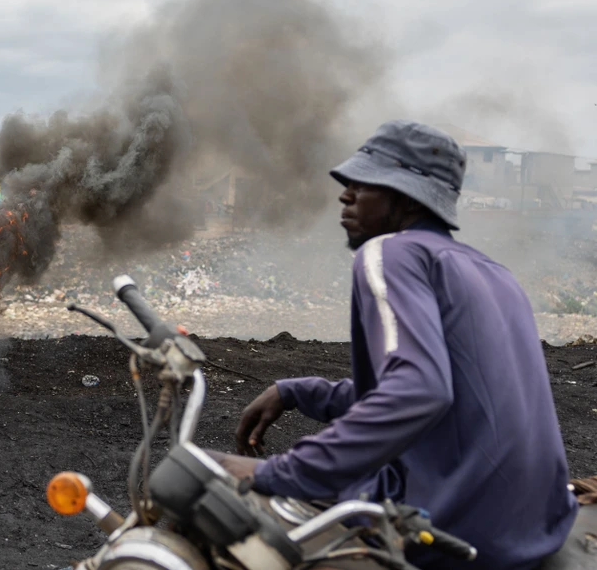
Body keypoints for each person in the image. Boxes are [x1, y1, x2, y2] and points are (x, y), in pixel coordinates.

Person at [212, 121, 577, 570]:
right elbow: (456, 392)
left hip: (454, 530)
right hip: (534, 526)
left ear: (406, 197)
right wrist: (300, 391)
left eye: (362, 184)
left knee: (212, 505)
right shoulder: (495, 273)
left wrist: (280, 472)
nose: (345, 195)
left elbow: (419, 390)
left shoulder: (391, 253)